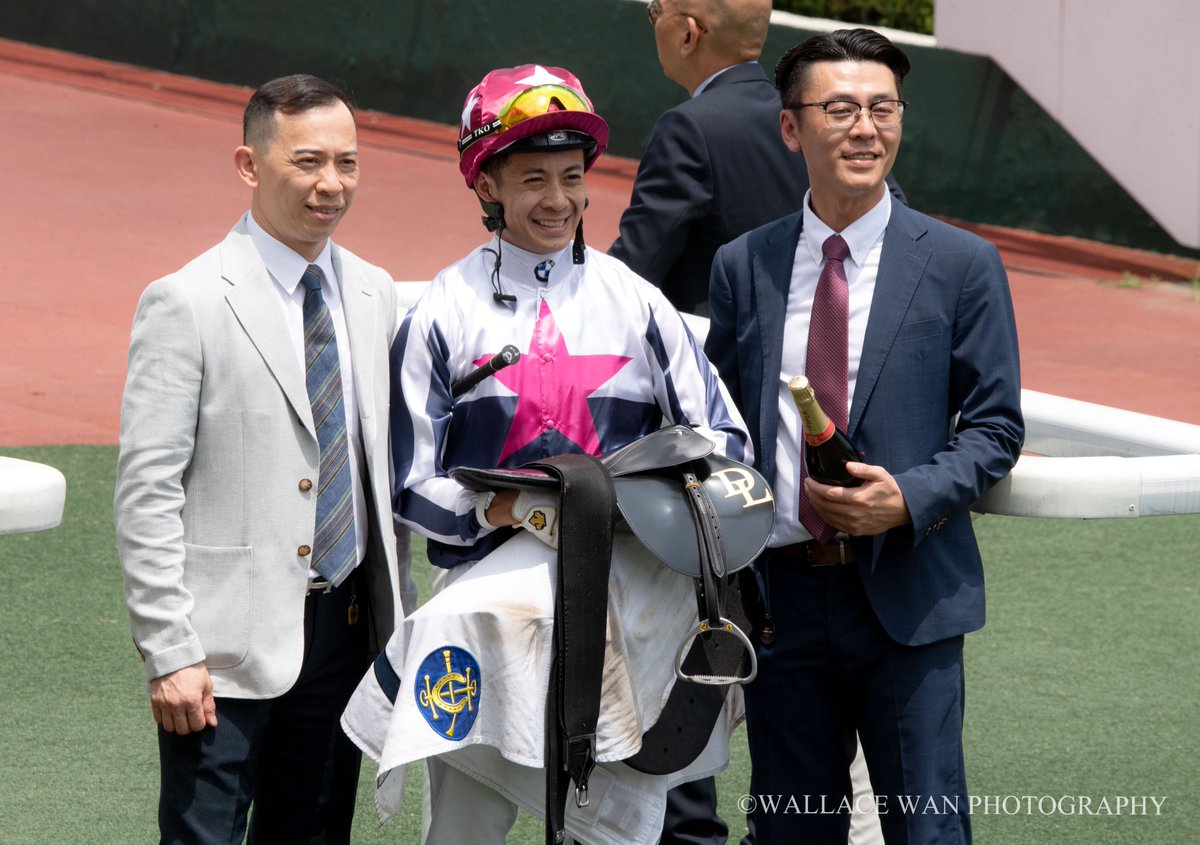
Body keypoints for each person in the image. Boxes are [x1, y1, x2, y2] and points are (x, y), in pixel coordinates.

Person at [340, 64, 753, 845]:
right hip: (484, 611)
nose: (557, 199)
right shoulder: (442, 309)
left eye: (571, 176)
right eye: (532, 178)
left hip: (624, 600)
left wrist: (637, 512)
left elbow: (725, 442)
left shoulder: (635, 300)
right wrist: (503, 508)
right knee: (466, 827)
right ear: (485, 184)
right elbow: (406, 480)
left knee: (611, 829)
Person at [706, 29, 1024, 845]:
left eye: (882, 108)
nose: (865, 128)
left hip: (909, 595)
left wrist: (906, 499)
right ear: (790, 128)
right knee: (788, 830)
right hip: (781, 604)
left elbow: (994, 428)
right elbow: (722, 425)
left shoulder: (962, 263)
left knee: (927, 828)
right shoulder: (745, 266)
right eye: (840, 108)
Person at [114, 74, 414, 843]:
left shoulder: (376, 293)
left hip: (346, 633)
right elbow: (148, 492)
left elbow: (380, 472)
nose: (332, 184)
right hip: (221, 652)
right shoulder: (185, 300)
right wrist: (169, 651)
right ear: (249, 165)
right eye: (308, 161)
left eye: (347, 163)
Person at [610, 0, 903, 317]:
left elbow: (634, 269)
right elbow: (895, 213)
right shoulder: (811, 116)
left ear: (688, 34)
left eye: (656, 12)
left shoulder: (687, 128)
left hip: (716, 351)